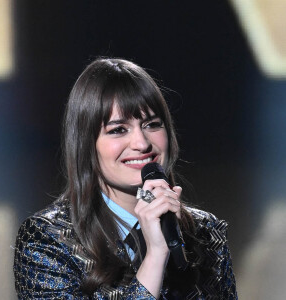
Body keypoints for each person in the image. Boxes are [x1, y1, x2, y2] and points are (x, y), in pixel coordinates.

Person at [13, 58, 237, 299]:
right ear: (86, 144)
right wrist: (156, 254)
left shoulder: (206, 233)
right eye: (118, 129)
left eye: (152, 125)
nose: (142, 144)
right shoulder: (48, 240)